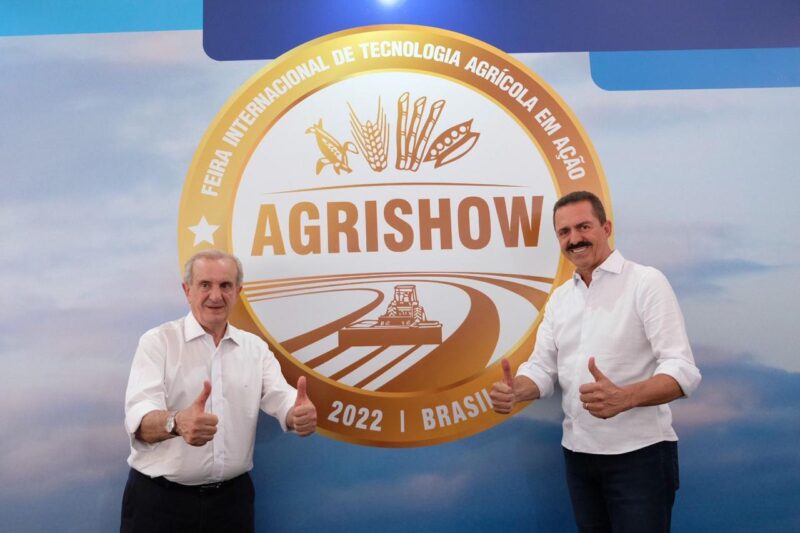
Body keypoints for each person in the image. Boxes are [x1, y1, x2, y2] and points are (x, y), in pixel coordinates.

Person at [491, 191, 700, 533]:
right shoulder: (560, 299)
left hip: (640, 457)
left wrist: (626, 397)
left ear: (606, 228)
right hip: (579, 458)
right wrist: (517, 390)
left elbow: (683, 370)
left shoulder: (646, 283)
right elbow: (541, 368)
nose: (574, 239)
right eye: (564, 232)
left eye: (583, 227)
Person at [121, 250, 317, 533]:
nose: (216, 296)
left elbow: (281, 396)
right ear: (187, 290)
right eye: (205, 285)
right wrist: (177, 422)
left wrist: (296, 413)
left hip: (231, 505)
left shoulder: (255, 348)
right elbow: (139, 421)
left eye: (225, 285)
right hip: (159, 504)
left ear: (238, 292)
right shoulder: (157, 343)